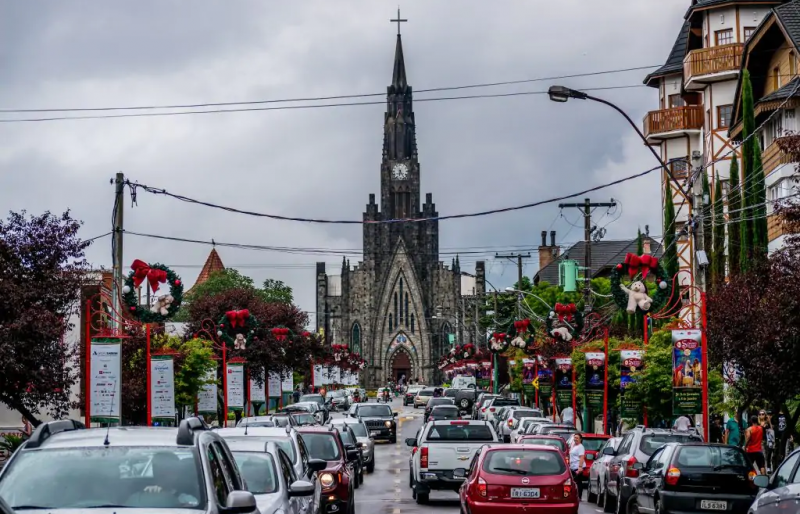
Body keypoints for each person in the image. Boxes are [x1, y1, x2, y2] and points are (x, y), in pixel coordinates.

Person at [569, 434, 586, 500]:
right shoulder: (574, 446)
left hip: (578, 467)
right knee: (575, 482)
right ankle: (575, 495)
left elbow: (581, 457)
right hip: (573, 467)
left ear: (580, 439)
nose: (575, 439)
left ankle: (579, 496)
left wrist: (580, 467)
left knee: (578, 482)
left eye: (577, 438)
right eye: (575, 437)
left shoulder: (580, 447)